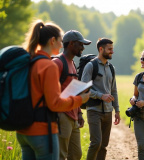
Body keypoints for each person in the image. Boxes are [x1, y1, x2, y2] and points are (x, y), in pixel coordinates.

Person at [16, 20, 90, 160]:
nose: (62, 44)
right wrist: (81, 99)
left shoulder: (30, 61)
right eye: (60, 40)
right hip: (42, 130)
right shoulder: (50, 65)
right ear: (52, 40)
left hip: (24, 129)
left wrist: (78, 111)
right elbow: (54, 103)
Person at [52, 30, 91, 160]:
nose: (83, 47)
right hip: (61, 115)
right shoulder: (57, 63)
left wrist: (79, 112)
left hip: (73, 114)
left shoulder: (73, 63)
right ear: (71, 44)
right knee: (61, 154)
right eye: (80, 44)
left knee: (76, 154)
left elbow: (73, 90)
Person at [81, 38, 121, 160]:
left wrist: (117, 110)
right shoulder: (90, 66)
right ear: (101, 49)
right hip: (94, 110)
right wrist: (100, 95)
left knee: (103, 145)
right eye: (109, 49)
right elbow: (84, 88)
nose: (112, 52)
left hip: (108, 111)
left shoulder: (111, 68)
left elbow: (113, 90)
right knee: (96, 143)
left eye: (112, 49)